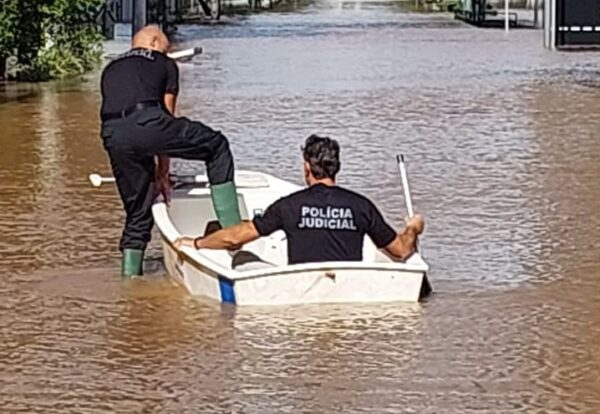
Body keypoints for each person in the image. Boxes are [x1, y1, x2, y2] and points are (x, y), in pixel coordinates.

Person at [100, 25, 242, 277]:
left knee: (137, 211)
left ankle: (130, 278)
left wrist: (154, 174)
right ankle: (234, 234)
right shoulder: (164, 63)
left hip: (113, 134)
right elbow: (167, 117)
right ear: (154, 42)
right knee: (217, 146)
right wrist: (163, 172)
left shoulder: (111, 68)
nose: (168, 49)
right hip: (149, 123)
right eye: (166, 44)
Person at [174, 135, 425, 264]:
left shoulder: (289, 206)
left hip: (300, 291)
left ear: (307, 167)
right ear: (336, 167)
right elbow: (401, 251)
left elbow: (234, 237)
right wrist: (413, 227)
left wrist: (195, 243)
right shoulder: (361, 206)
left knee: (242, 256)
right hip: (349, 292)